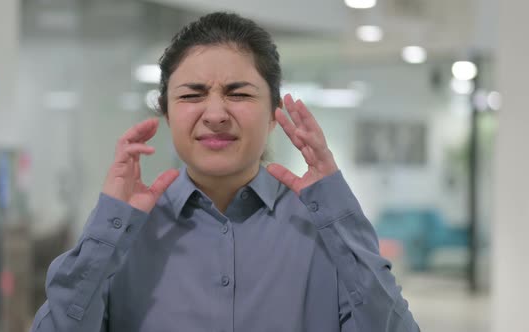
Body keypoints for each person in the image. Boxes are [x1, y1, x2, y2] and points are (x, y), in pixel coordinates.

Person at [30, 11, 419, 332]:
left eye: (239, 93)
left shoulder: (323, 229)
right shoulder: (124, 234)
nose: (215, 115)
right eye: (192, 95)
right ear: (166, 113)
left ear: (272, 115)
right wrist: (108, 226)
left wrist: (337, 212)